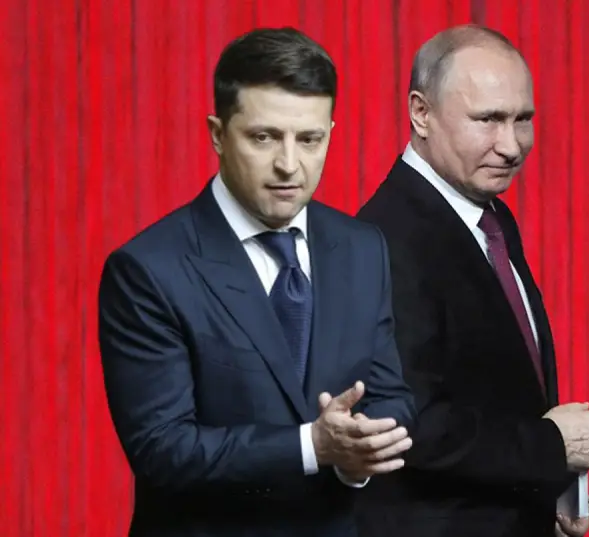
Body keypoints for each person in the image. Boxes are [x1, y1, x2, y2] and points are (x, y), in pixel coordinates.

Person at [98, 27, 415, 537]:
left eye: (309, 139)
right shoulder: (147, 269)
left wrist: (360, 450)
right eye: (264, 137)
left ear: (330, 134)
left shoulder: (362, 248)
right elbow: (163, 451)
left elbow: (390, 395)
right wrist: (313, 445)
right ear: (217, 134)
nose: (289, 164)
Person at [355, 25, 589, 537]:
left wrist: (548, 491)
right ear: (421, 113)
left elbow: (495, 394)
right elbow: (409, 425)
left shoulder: (490, 217)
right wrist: (553, 447)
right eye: (488, 120)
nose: (512, 145)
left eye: (523, 120)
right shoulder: (383, 239)